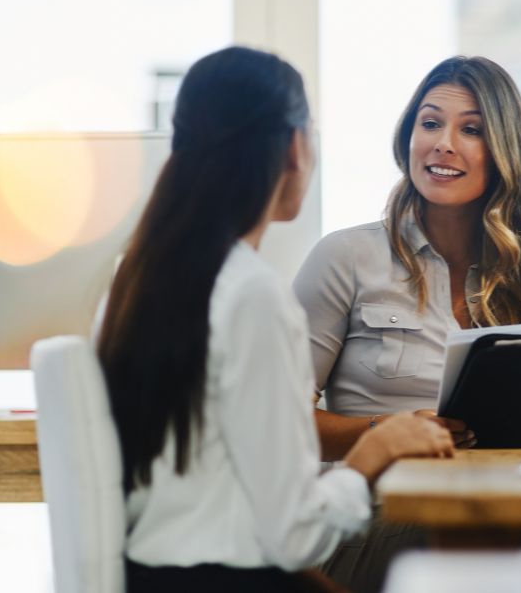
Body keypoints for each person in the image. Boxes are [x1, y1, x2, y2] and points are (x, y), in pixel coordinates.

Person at [96, 46, 455, 593]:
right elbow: (295, 537)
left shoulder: (137, 279)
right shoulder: (253, 295)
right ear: (294, 146)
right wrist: (374, 452)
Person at [294, 55, 521, 593]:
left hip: (497, 514)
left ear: (502, 152)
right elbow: (281, 426)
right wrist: (387, 435)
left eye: (471, 129)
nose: (443, 143)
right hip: (375, 522)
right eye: (430, 123)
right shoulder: (345, 258)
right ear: (409, 137)